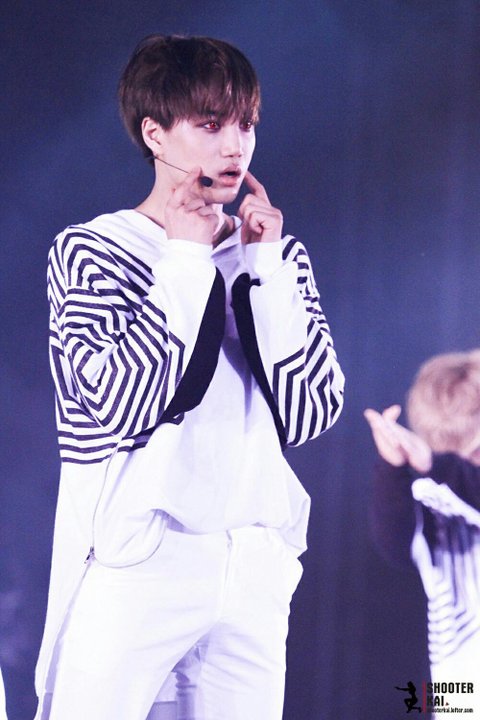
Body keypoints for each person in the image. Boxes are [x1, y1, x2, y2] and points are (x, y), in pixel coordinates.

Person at [34, 35, 345, 720]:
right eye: (210, 124)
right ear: (155, 133)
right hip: (139, 553)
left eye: (246, 124)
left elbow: (313, 412)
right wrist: (182, 257)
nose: (236, 147)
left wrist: (263, 269)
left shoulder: (274, 254)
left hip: (252, 558)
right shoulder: (93, 249)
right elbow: (118, 404)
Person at [365, 350, 480, 714]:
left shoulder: (451, 477)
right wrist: (392, 466)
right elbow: (394, 542)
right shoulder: (435, 502)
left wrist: (436, 464)